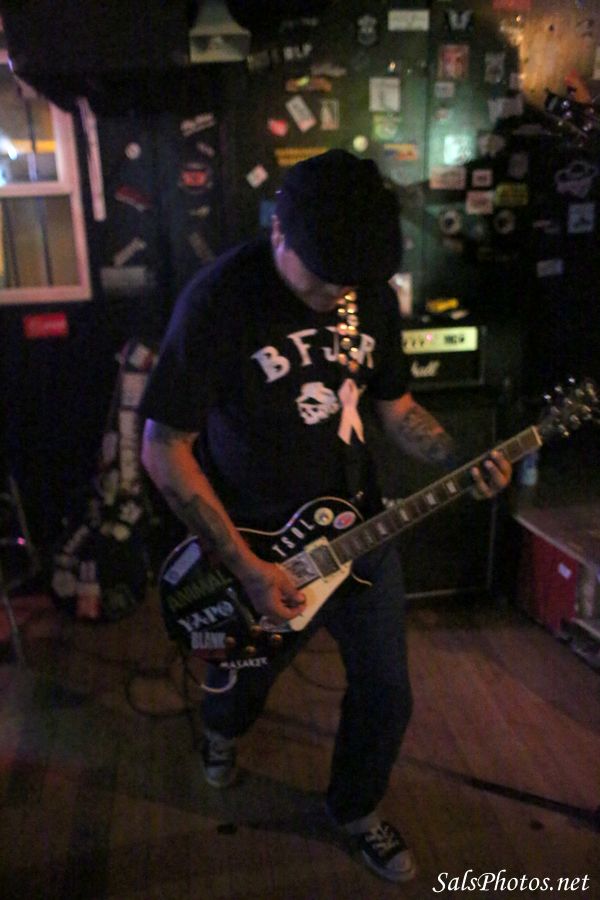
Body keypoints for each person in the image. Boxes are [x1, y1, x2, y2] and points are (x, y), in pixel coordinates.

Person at [140, 149, 512, 883]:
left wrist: (457, 457)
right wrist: (246, 568)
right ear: (279, 230)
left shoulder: (367, 294)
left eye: (350, 282)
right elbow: (163, 445)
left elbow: (394, 406)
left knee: (387, 694)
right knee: (243, 685)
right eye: (322, 276)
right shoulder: (219, 301)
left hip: (362, 534)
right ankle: (221, 732)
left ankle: (355, 811)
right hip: (258, 546)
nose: (336, 293)